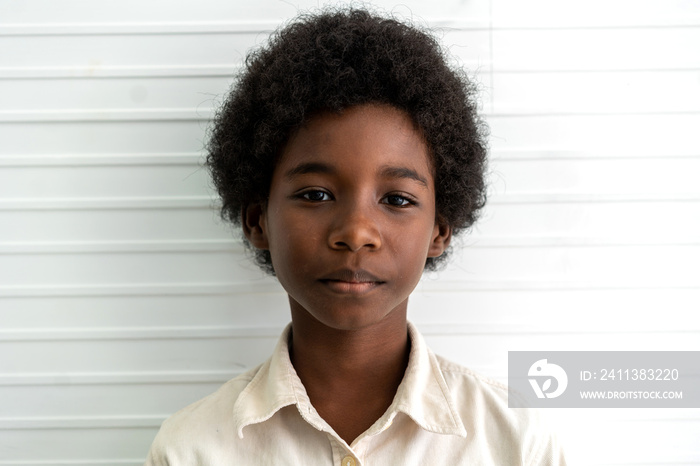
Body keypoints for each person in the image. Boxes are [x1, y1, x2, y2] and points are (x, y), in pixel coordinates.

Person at [145, 7, 565, 465]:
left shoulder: (515, 441)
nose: (356, 233)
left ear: (439, 231)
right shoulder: (191, 448)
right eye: (316, 194)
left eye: (398, 200)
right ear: (257, 221)